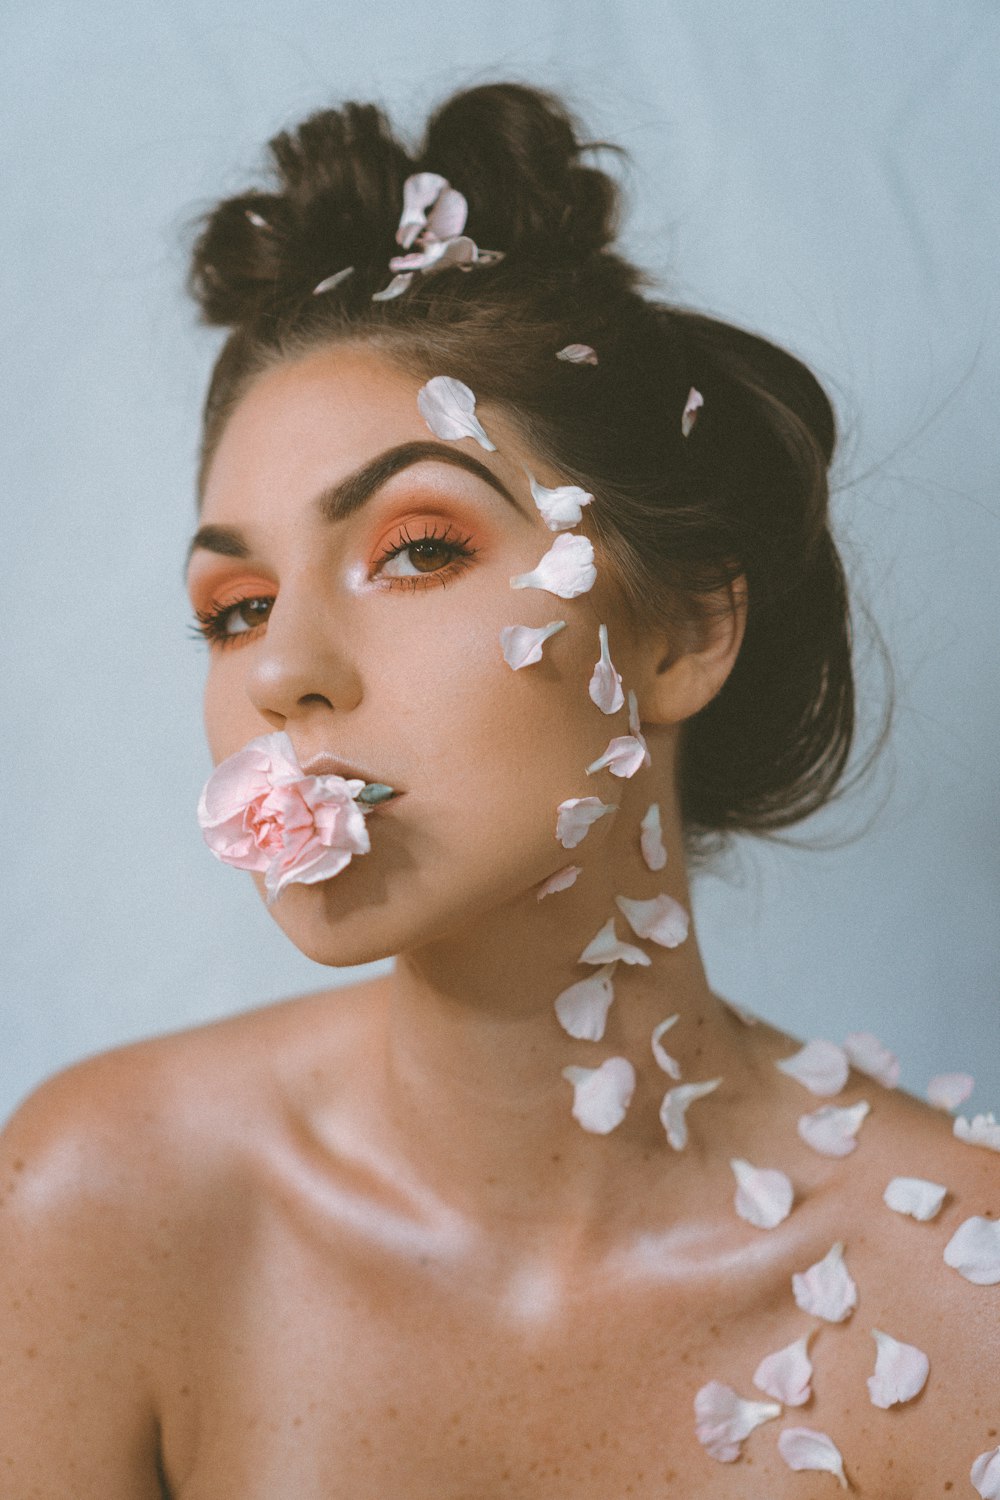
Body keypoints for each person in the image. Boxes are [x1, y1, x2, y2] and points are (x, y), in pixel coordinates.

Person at [1, 81, 997, 1499]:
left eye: (417, 548)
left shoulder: (967, 1301)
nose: (283, 667)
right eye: (233, 607)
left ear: (681, 633)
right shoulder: (100, 1206)